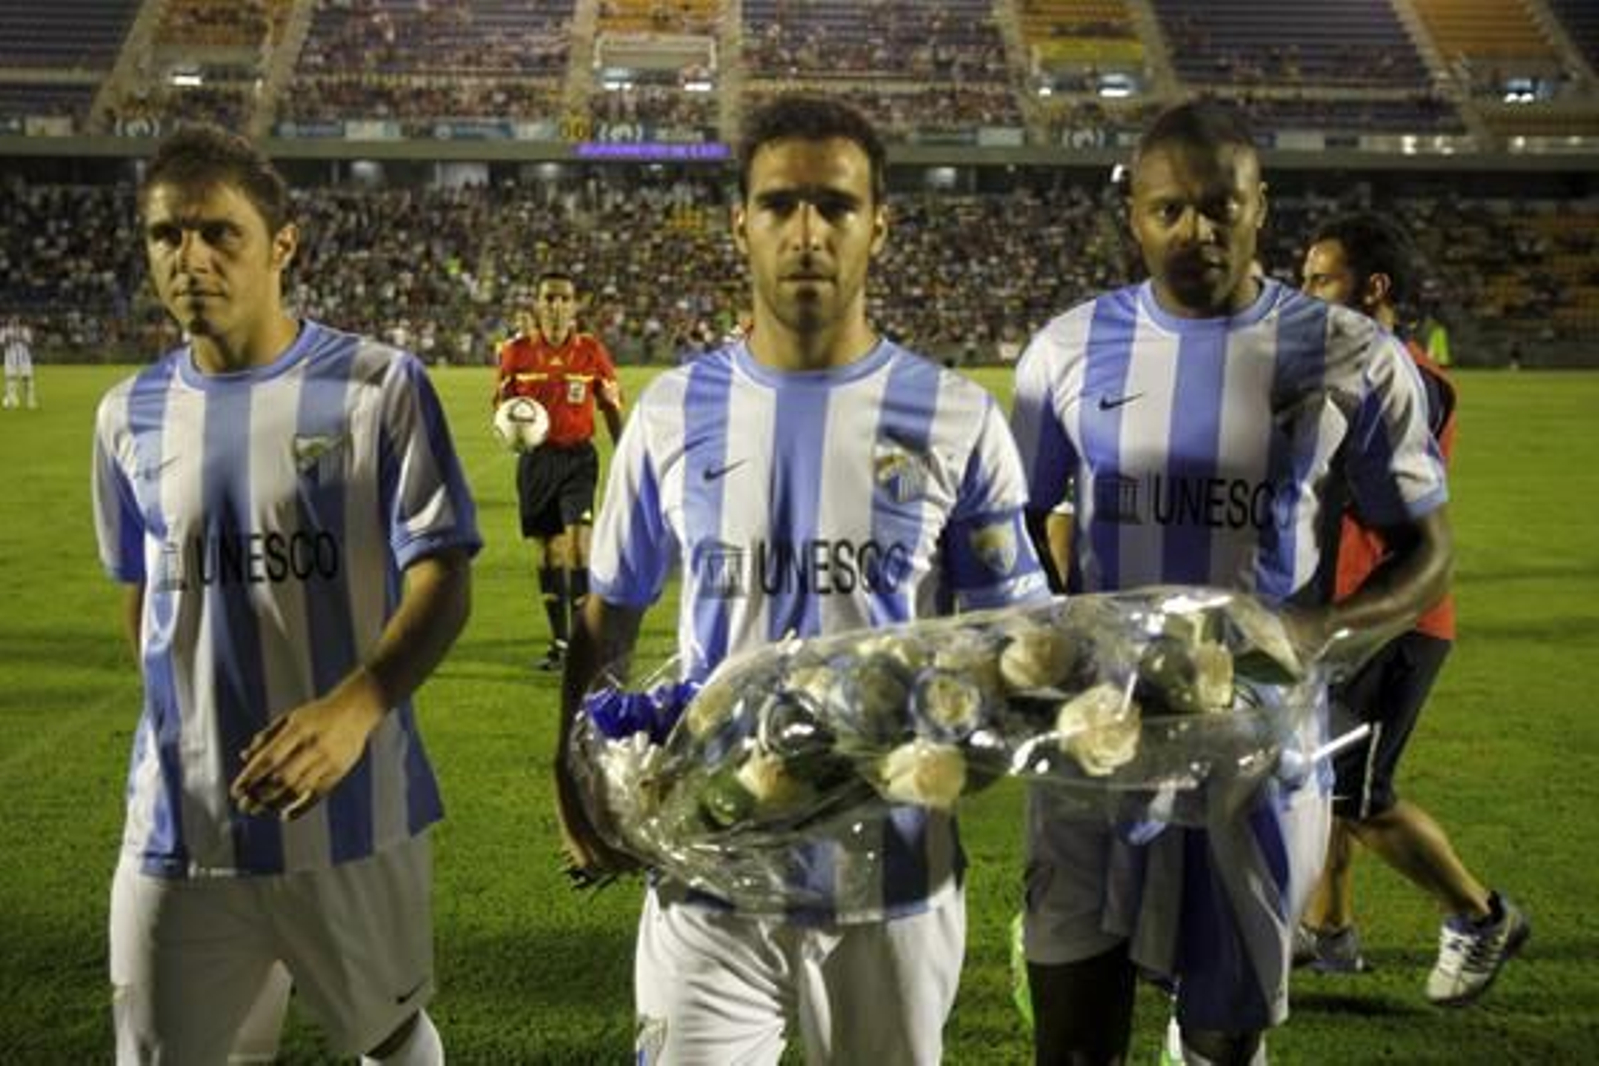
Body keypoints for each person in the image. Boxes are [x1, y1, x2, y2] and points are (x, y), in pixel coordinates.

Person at [555, 95, 1049, 1063]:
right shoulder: (669, 413)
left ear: (880, 224)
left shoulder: (954, 417)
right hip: (707, 869)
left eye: (835, 204)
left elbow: (1013, 645)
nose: (808, 231)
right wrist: (574, 780)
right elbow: (607, 620)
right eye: (780, 204)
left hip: (895, 871)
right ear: (740, 221)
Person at [1009, 101, 1454, 1066]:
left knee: (1222, 1038)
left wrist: (1320, 629)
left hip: (1259, 756)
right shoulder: (1065, 350)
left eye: (1220, 207)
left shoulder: (1349, 353)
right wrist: (1044, 635)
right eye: (1170, 210)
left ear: (1264, 206)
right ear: (1134, 214)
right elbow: (1013, 523)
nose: (1196, 232)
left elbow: (1428, 554)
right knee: (1076, 1043)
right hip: (1095, 749)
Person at [91, 124, 479, 1065]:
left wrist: (357, 709)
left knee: (389, 1037)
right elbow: (144, 594)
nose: (191, 259)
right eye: (166, 235)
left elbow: (444, 574)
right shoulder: (126, 415)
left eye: (219, 233)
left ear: (283, 245)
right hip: (180, 824)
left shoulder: (378, 386)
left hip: (355, 813)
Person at [1297, 212, 1527, 1001]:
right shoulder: (1361, 366)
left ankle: (1478, 913)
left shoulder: (1407, 378)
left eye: (1320, 279)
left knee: (1360, 797)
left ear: (1374, 287)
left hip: (1396, 619)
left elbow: (1386, 494)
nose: (1307, 294)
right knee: (1324, 779)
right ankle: (1328, 932)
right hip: (1350, 614)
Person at [494, 273, 624, 671]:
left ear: (574, 305)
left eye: (563, 298)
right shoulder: (515, 353)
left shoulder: (590, 351)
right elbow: (501, 412)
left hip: (577, 460)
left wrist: (624, 453)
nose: (555, 305)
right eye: (548, 298)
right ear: (537, 303)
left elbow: (611, 405)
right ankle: (561, 644)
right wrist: (512, 433)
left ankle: (588, 646)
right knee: (550, 553)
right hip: (536, 462)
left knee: (580, 547)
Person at [2, 314, 38, 409]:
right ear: (10, 321)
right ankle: (12, 401)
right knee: (11, 379)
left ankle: (30, 401)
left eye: (16, 320)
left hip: (24, 358)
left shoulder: (25, 330)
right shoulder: (5, 331)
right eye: (13, 320)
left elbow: (30, 344)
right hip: (10, 358)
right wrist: (9, 338)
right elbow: (4, 345)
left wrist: (21, 337)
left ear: (19, 321)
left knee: (27, 379)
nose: (15, 322)